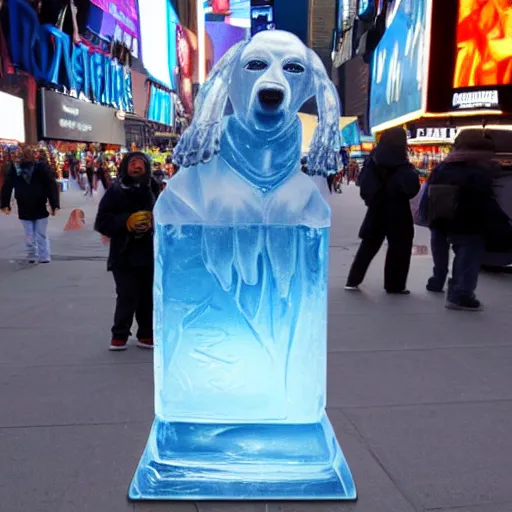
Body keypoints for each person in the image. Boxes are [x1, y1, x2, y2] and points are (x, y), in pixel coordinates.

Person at [420, 130, 499, 311]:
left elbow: (428, 193)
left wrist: (425, 215)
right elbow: (485, 200)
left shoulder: (443, 166)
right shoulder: (478, 172)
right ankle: (461, 294)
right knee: (468, 254)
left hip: (439, 218)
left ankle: (438, 280)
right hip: (467, 222)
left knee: (441, 249)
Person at [94, 152, 161, 351]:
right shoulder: (116, 191)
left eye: (141, 163)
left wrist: (154, 222)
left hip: (149, 253)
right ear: (125, 167)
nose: (137, 166)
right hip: (124, 254)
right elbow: (102, 221)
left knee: (148, 296)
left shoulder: (155, 188)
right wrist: (126, 222)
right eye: (133, 163)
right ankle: (119, 334)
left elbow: (168, 215)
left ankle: (146, 334)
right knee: (127, 294)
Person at [345, 127, 420, 294]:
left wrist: (372, 199)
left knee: (369, 245)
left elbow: (364, 183)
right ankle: (395, 285)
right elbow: (412, 187)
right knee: (400, 247)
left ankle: (353, 280)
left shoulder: (373, 159)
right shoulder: (402, 162)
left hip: (377, 206)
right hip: (398, 208)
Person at [0, 146, 60, 263]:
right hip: (31, 205)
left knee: (34, 233)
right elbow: (7, 185)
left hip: (32, 205)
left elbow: (50, 185)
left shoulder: (39, 167)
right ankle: (38, 255)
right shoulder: (17, 168)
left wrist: (54, 204)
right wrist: (4, 204)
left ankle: (39, 255)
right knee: (36, 233)